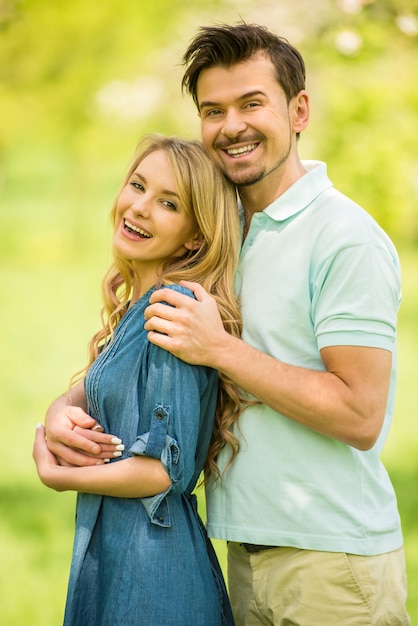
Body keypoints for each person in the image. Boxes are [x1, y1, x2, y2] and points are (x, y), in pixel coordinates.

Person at [42, 23, 409, 626]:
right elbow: (143, 351)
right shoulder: (221, 233)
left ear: (299, 111)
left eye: (252, 103)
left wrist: (221, 349)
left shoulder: (344, 238)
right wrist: (63, 407)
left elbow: (361, 415)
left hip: (331, 563)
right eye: (213, 110)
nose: (231, 125)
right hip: (239, 551)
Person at [33, 133, 243, 626]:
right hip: (124, 554)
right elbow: (92, 394)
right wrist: (57, 412)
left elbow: (161, 471)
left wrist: (62, 476)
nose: (140, 207)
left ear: (196, 235)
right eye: (137, 185)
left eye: (168, 203)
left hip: (153, 572)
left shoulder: (175, 313)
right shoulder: (141, 308)